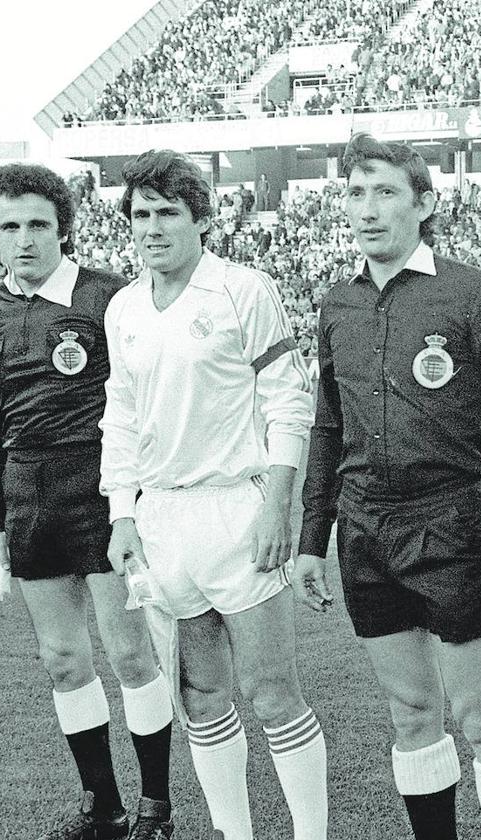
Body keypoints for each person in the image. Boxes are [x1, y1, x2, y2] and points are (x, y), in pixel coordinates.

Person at [294, 133, 481, 840]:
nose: (367, 209)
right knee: (411, 715)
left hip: (449, 526)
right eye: (355, 193)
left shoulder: (468, 292)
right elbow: (326, 426)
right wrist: (312, 540)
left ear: (424, 202)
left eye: (385, 193)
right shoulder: (337, 304)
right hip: (364, 532)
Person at [98, 150, 326, 840]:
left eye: (168, 213)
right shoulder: (124, 307)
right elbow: (123, 417)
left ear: (202, 219)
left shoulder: (243, 290)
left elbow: (289, 400)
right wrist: (122, 514)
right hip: (163, 520)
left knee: (271, 692)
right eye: (141, 214)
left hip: (237, 509)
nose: (153, 227)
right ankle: (237, 833)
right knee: (200, 696)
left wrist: (277, 506)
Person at [0, 163, 175, 840]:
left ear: (62, 229)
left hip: (104, 500)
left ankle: (156, 807)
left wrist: (136, 503)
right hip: (30, 504)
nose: (24, 240)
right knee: (63, 660)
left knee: (130, 655)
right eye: (10, 227)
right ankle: (104, 808)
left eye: (38, 225)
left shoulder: (108, 299)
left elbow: (144, 404)